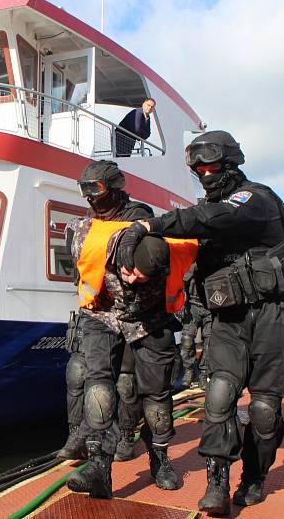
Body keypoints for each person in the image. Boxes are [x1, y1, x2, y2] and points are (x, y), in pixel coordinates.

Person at [116, 130, 284, 514]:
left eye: (210, 164)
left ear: (231, 162)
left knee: (265, 410)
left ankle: (254, 477)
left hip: (273, 315)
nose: (203, 172)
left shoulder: (255, 199)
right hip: (228, 318)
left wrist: (149, 225)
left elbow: (212, 218)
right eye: (196, 167)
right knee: (219, 398)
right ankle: (217, 481)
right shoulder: (209, 211)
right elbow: (183, 249)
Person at [64, 214, 197, 499]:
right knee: (97, 385)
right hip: (103, 313)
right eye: (132, 271)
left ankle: (160, 461)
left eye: (143, 277)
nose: (135, 278)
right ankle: (99, 466)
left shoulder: (179, 254)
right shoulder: (88, 240)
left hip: (152, 319)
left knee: (157, 396)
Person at [58, 161, 155, 464]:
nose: (89, 197)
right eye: (84, 190)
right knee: (86, 376)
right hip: (97, 310)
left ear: (113, 188)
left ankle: (126, 434)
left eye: (95, 189)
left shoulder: (138, 217)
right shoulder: (88, 221)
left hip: (131, 312)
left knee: (126, 380)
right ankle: (86, 434)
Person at [179, 264, 211, 389]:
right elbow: (181, 284)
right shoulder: (191, 262)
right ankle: (189, 371)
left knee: (210, 343)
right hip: (192, 305)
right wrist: (181, 304)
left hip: (210, 307)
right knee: (186, 341)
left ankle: (204, 374)